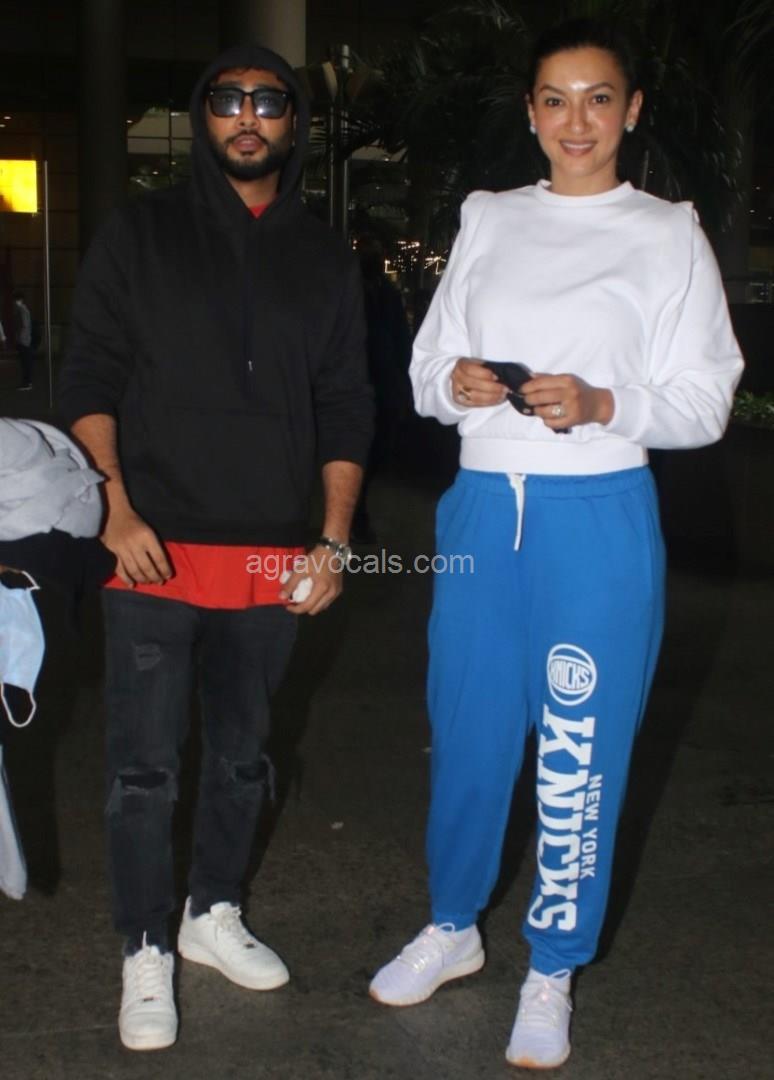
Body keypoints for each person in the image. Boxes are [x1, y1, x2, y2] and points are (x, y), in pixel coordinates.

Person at [368, 18, 743, 1071]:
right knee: (467, 728)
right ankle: (453, 926)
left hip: (598, 518)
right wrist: (457, 385)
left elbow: (706, 399)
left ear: (631, 111)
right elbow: (426, 371)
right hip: (483, 511)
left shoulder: (667, 234)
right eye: (555, 99)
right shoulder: (489, 217)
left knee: (580, 752)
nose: (577, 120)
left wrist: (603, 401)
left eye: (598, 98)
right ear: (531, 114)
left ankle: (552, 967)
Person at [59, 44, 372, 1052]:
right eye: (228, 100)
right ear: (203, 115)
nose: (247, 116)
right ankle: (146, 945)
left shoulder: (325, 258)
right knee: (143, 770)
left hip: (273, 555)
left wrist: (333, 540)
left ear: (292, 122)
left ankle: (212, 911)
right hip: (150, 547)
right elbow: (89, 375)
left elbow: (345, 405)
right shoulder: (139, 234)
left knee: (243, 758)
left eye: (267, 101)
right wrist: (115, 507)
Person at [12, 291, 33, 390]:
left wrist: (20, 338)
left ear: (19, 300)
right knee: (25, 362)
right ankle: (27, 382)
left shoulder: (22, 310)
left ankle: (27, 383)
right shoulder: (23, 310)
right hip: (25, 340)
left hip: (24, 341)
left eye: (15, 300)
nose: (14, 303)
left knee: (25, 363)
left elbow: (24, 326)